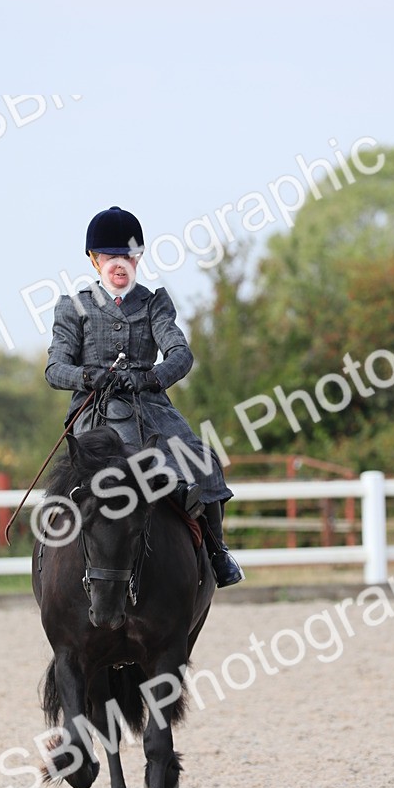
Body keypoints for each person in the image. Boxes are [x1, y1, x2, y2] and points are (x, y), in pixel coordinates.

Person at [45, 205, 245, 588]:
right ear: (94, 260)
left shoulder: (154, 303)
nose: (119, 263)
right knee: (71, 483)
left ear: (137, 258)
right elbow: (55, 369)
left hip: (149, 407)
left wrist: (152, 377)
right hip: (95, 411)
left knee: (202, 460)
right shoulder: (73, 307)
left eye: (127, 255)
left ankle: (218, 553)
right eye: (110, 256)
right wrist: (89, 375)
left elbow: (180, 354)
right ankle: (50, 562)